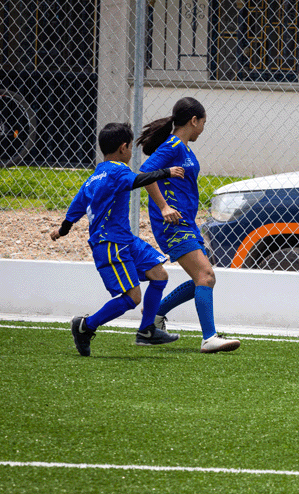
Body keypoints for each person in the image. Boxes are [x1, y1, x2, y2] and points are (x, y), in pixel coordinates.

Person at [50, 122, 184, 356]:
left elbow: (76, 208)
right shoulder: (117, 170)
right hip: (110, 243)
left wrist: (62, 230)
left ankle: (146, 331)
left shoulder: (93, 177)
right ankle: (85, 326)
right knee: (132, 297)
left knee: (159, 274)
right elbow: (138, 180)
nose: (131, 152)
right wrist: (167, 172)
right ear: (123, 148)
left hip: (124, 239)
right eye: (131, 147)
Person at [137, 97, 241, 354]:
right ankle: (209, 338)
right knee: (205, 275)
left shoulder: (182, 148)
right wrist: (163, 206)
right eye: (203, 123)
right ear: (194, 121)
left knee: (203, 279)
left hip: (187, 224)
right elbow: (144, 173)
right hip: (173, 225)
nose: (203, 129)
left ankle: (154, 317)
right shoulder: (172, 145)